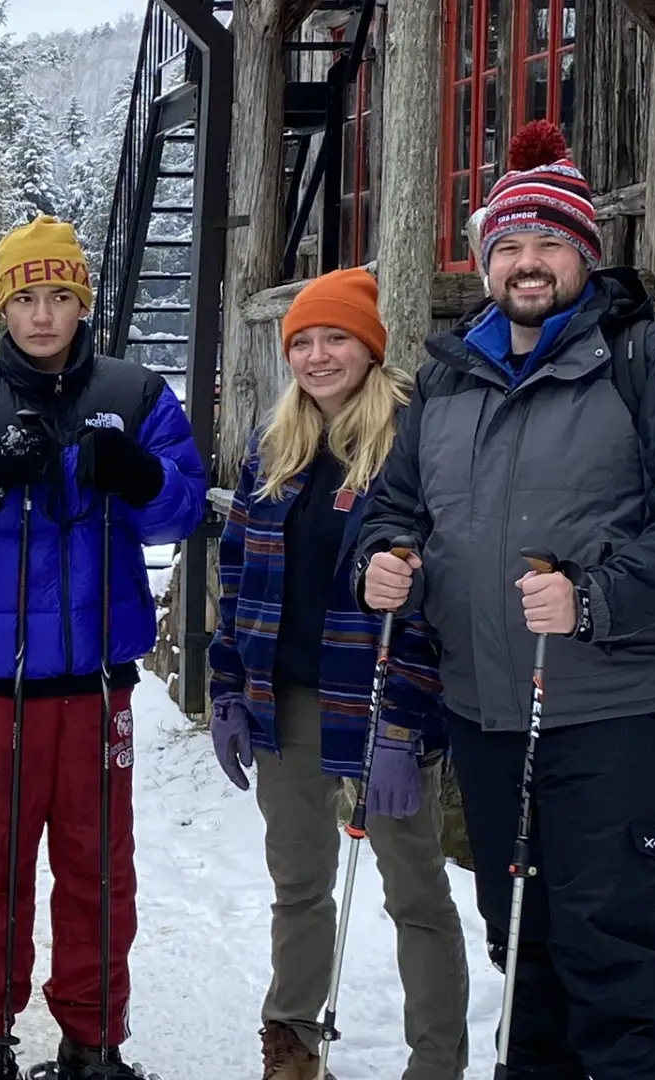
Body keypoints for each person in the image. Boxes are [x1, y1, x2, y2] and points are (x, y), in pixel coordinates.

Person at [357, 121, 655, 1079]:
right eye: (509, 244)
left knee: (613, 957)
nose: (527, 262)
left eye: (550, 242)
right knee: (525, 951)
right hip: (488, 711)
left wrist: (596, 597)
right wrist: (385, 558)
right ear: (485, 261)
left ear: (585, 254)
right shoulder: (445, 379)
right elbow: (393, 507)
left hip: (619, 709)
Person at [0, 215, 206, 1080]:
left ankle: (93, 1043)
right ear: (4, 306)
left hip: (100, 684)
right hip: (1, 689)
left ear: (81, 302)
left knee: (100, 872)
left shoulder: (138, 395)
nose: (42, 314)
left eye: (58, 296)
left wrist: (141, 476)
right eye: (25, 297)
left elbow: (185, 509)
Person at [206, 268, 468, 1080]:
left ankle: (436, 1061)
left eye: (336, 339)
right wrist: (224, 686)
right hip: (284, 700)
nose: (318, 356)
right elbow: (238, 568)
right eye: (303, 343)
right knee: (298, 883)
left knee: (414, 893)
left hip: (378, 702)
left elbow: (433, 598)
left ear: (370, 347)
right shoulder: (273, 443)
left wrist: (407, 727)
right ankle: (291, 1038)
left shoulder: (411, 442)